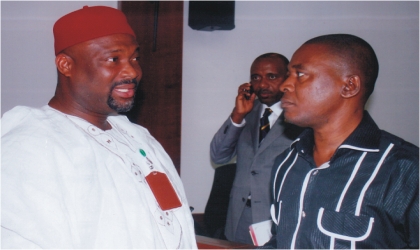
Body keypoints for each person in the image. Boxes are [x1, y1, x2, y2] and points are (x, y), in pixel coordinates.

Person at [1, 6, 197, 249]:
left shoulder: (138, 139)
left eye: (135, 58)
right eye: (113, 59)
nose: (132, 71)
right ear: (65, 65)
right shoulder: (29, 147)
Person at [265, 34, 419, 249]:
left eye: (300, 74)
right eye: (289, 74)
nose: (285, 85)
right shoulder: (287, 162)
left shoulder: (404, 169)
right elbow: (281, 242)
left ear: (349, 86)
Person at [210, 53, 302, 244]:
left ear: (287, 78)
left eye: (271, 76)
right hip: (239, 218)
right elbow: (218, 156)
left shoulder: (300, 116)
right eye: (256, 77)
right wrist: (237, 115)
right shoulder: (247, 112)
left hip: (278, 218)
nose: (262, 84)